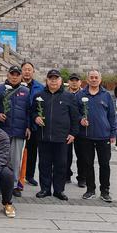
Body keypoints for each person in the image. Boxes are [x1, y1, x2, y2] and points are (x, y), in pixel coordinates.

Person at [32, 69, 79, 201]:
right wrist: (35, 118)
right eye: (51, 78)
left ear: (60, 81)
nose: (53, 81)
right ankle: (45, 189)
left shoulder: (68, 97)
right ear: (46, 80)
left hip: (62, 138)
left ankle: (59, 190)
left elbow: (75, 117)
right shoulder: (39, 96)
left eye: (56, 78)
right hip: (44, 136)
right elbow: (32, 112)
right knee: (44, 164)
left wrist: (73, 133)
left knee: (61, 165)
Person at [77, 69, 117, 202]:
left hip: (103, 136)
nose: (94, 79)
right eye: (91, 77)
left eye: (96, 77)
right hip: (86, 136)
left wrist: (113, 133)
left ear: (100, 79)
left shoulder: (106, 95)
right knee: (87, 164)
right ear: (87, 80)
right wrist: (80, 119)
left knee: (104, 164)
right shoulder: (81, 94)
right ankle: (90, 189)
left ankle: (105, 191)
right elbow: (74, 112)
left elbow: (112, 115)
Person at [0, 65, 30, 198]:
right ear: (8, 75)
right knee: (1, 158)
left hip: (19, 130)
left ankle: (14, 185)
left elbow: (29, 111)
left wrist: (28, 126)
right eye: (12, 74)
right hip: (2, 130)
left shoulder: (26, 91)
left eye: (17, 74)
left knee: (15, 160)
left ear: (21, 76)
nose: (14, 77)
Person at [22, 61, 45, 186]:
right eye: (25, 69)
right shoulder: (16, 85)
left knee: (32, 151)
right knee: (18, 151)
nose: (27, 71)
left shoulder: (39, 87)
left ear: (33, 72)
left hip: (34, 125)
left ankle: (29, 175)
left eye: (29, 69)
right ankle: (18, 174)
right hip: (20, 123)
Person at [66, 73, 85, 187]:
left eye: (76, 80)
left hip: (81, 129)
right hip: (67, 128)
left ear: (80, 82)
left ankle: (82, 178)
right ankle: (66, 175)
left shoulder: (84, 94)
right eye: (72, 80)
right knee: (66, 154)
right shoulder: (64, 93)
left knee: (82, 155)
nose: (74, 82)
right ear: (68, 82)